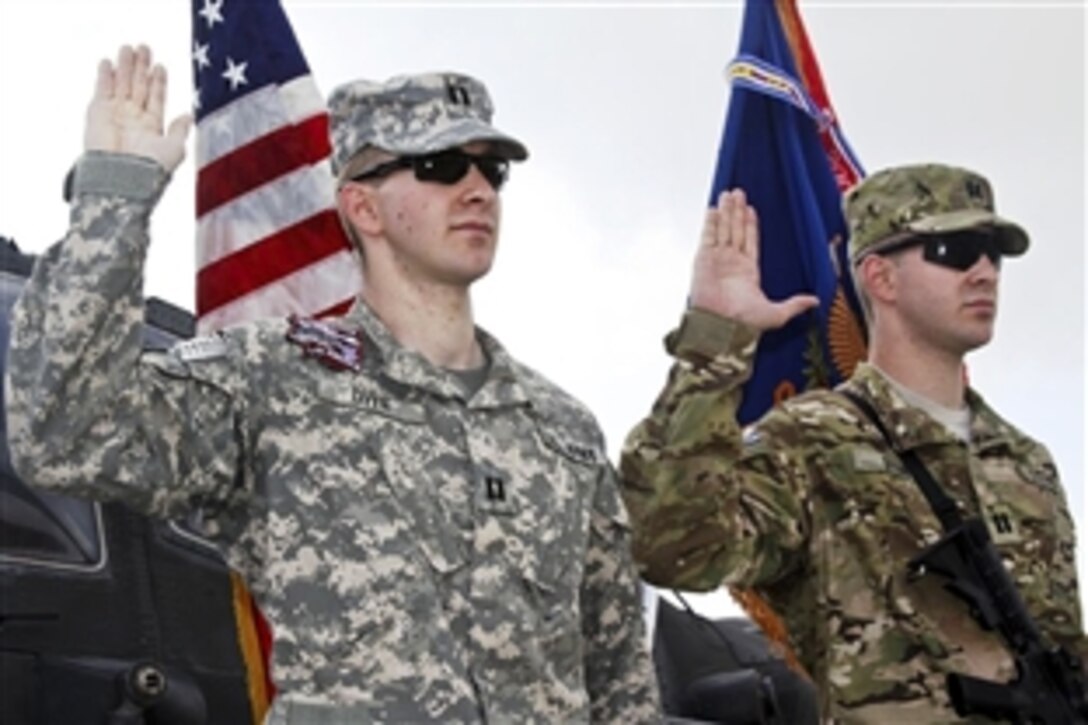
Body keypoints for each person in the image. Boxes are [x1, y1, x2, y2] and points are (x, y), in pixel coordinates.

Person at [4, 45, 660, 723]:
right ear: (363, 208)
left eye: (491, 170)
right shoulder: (277, 382)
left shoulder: (561, 432)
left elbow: (620, 687)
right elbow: (66, 435)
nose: (478, 190)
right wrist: (115, 197)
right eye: (440, 167)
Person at [619, 168, 1087, 722]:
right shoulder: (811, 440)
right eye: (954, 250)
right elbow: (673, 551)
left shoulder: (1023, 462)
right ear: (881, 278)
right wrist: (715, 340)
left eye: (992, 254)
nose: (984, 272)